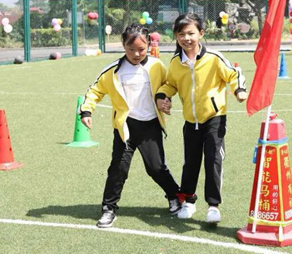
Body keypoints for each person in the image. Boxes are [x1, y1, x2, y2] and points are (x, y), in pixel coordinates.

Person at [79, 24, 181, 228]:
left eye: (141, 49)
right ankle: (108, 208)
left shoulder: (157, 66)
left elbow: (167, 86)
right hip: (124, 128)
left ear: (149, 45)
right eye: (130, 49)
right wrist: (87, 111)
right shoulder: (113, 70)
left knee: (156, 168)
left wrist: (165, 99)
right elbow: (95, 90)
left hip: (150, 127)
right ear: (123, 45)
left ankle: (175, 196)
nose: (136, 54)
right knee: (118, 169)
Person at [156, 13, 247, 224]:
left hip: (215, 118)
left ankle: (213, 206)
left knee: (213, 159)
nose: (186, 38)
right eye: (181, 34)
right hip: (191, 121)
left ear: (201, 34)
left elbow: (234, 74)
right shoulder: (176, 63)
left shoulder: (214, 58)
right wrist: (162, 97)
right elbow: (170, 84)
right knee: (190, 162)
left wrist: (239, 90)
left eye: (191, 33)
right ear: (176, 36)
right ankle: (189, 201)